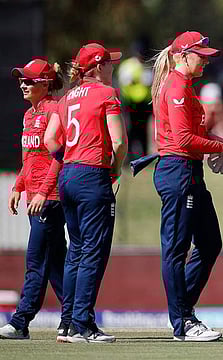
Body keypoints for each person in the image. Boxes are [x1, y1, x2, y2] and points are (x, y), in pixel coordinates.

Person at [148, 31, 223, 342]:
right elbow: (183, 140)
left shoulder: (185, 86)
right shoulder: (177, 86)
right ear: (182, 56)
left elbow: (194, 135)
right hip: (177, 170)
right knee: (177, 250)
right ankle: (182, 321)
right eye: (200, 56)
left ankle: (182, 309)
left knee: (210, 243)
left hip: (187, 170)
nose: (205, 61)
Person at [44, 43, 128, 343]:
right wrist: (115, 169)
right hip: (93, 175)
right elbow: (118, 142)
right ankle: (83, 325)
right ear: (97, 67)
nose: (112, 67)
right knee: (92, 251)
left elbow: (50, 138)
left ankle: (67, 323)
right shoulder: (107, 94)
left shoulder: (66, 98)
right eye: (108, 62)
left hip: (68, 175)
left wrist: (68, 160)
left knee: (76, 251)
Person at [0, 59, 67, 341]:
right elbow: (29, 158)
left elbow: (59, 158)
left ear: (45, 84)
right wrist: (18, 186)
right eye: (21, 80)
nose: (22, 84)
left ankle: (20, 320)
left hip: (49, 198)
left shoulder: (55, 110)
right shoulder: (30, 115)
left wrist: (42, 192)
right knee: (55, 262)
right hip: (34, 198)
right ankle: (75, 316)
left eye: (28, 80)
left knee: (36, 258)